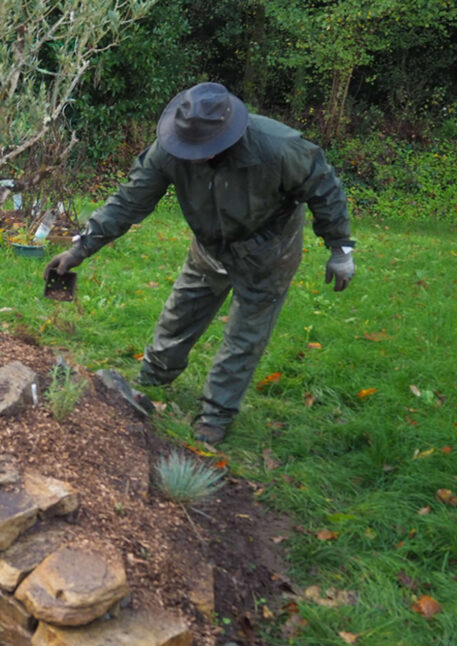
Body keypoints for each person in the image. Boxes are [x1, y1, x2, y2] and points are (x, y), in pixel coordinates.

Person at [45, 81, 355, 445]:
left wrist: (340, 248)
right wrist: (81, 247)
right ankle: (155, 376)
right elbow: (130, 200)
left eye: (205, 147)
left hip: (268, 253)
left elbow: (324, 187)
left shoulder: (279, 147)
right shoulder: (169, 149)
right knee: (182, 311)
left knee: (244, 336)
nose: (196, 155)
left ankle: (216, 414)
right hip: (210, 246)